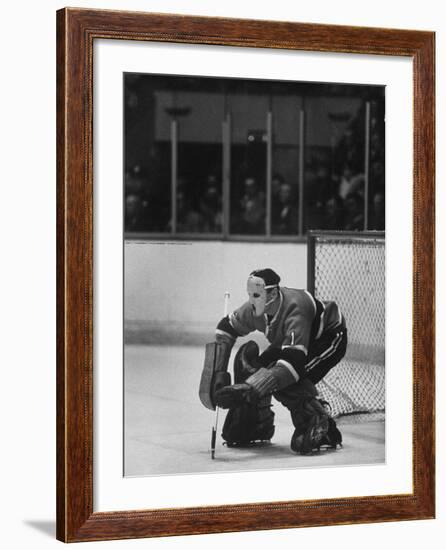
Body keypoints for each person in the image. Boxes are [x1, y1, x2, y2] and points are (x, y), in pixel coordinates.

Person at [203, 268, 347, 455]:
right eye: (250, 295)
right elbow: (226, 328)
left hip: (326, 338)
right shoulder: (255, 309)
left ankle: (321, 424)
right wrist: (217, 372)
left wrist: (250, 388)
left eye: (257, 295)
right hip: (290, 343)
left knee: (288, 381)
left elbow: (292, 365)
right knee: (253, 368)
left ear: (272, 293)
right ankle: (255, 424)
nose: (252, 301)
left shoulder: (297, 307)